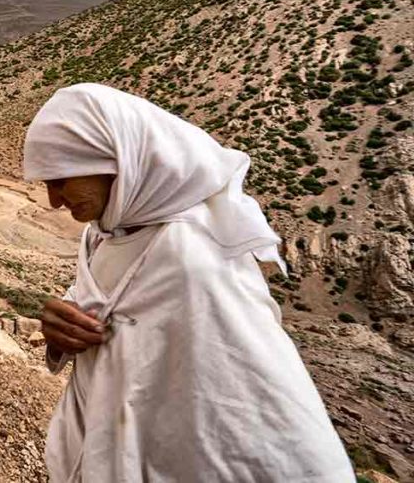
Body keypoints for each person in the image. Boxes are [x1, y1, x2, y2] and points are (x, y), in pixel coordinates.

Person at [23, 83, 353, 483]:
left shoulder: (195, 255)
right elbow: (100, 308)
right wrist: (60, 330)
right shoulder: (106, 230)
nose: (54, 200)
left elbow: (264, 412)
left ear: (116, 162)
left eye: (60, 180)